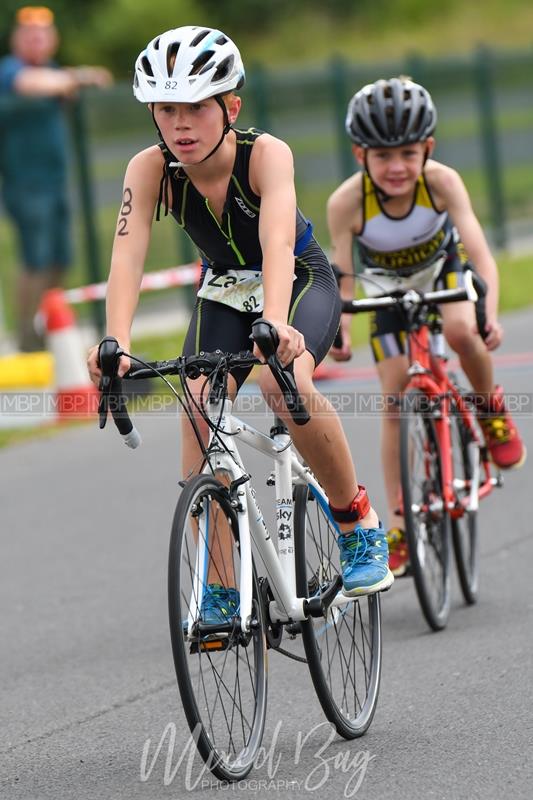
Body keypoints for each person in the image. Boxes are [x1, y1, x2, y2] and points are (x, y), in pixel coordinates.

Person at [87, 25, 394, 620]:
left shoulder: (267, 154)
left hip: (298, 278)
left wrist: (278, 327)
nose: (180, 125)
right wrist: (117, 343)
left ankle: (357, 520)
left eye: (196, 108)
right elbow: (126, 257)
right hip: (226, 291)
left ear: (231, 107)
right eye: (167, 109)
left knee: (287, 385)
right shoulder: (149, 170)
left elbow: (277, 243)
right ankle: (222, 586)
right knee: (196, 405)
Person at [327, 76, 526, 576]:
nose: (397, 167)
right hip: (387, 289)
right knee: (394, 401)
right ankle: (398, 523)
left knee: (461, 333)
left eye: (409, 154)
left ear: (428, 150)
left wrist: (491, 313)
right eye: (382, 156)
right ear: (360, 156)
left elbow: (480, 254)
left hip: (446, 273)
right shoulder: (347, 203)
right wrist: (342, 331)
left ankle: (489, 409)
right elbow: (343, 278)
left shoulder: (442, 183)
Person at [0, 6, 112, 351]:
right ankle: (27, 340)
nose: (37, 40)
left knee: (60, 258)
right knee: (35, 258)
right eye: (30, 35)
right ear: (17, 40)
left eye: (43, 34)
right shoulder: (11, 71)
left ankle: (50, 328)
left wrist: (72, 78)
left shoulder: (53, 72)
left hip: (55, 182)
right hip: (25, 183)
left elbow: (64, 80)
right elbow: (30, 84)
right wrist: (78, 77)